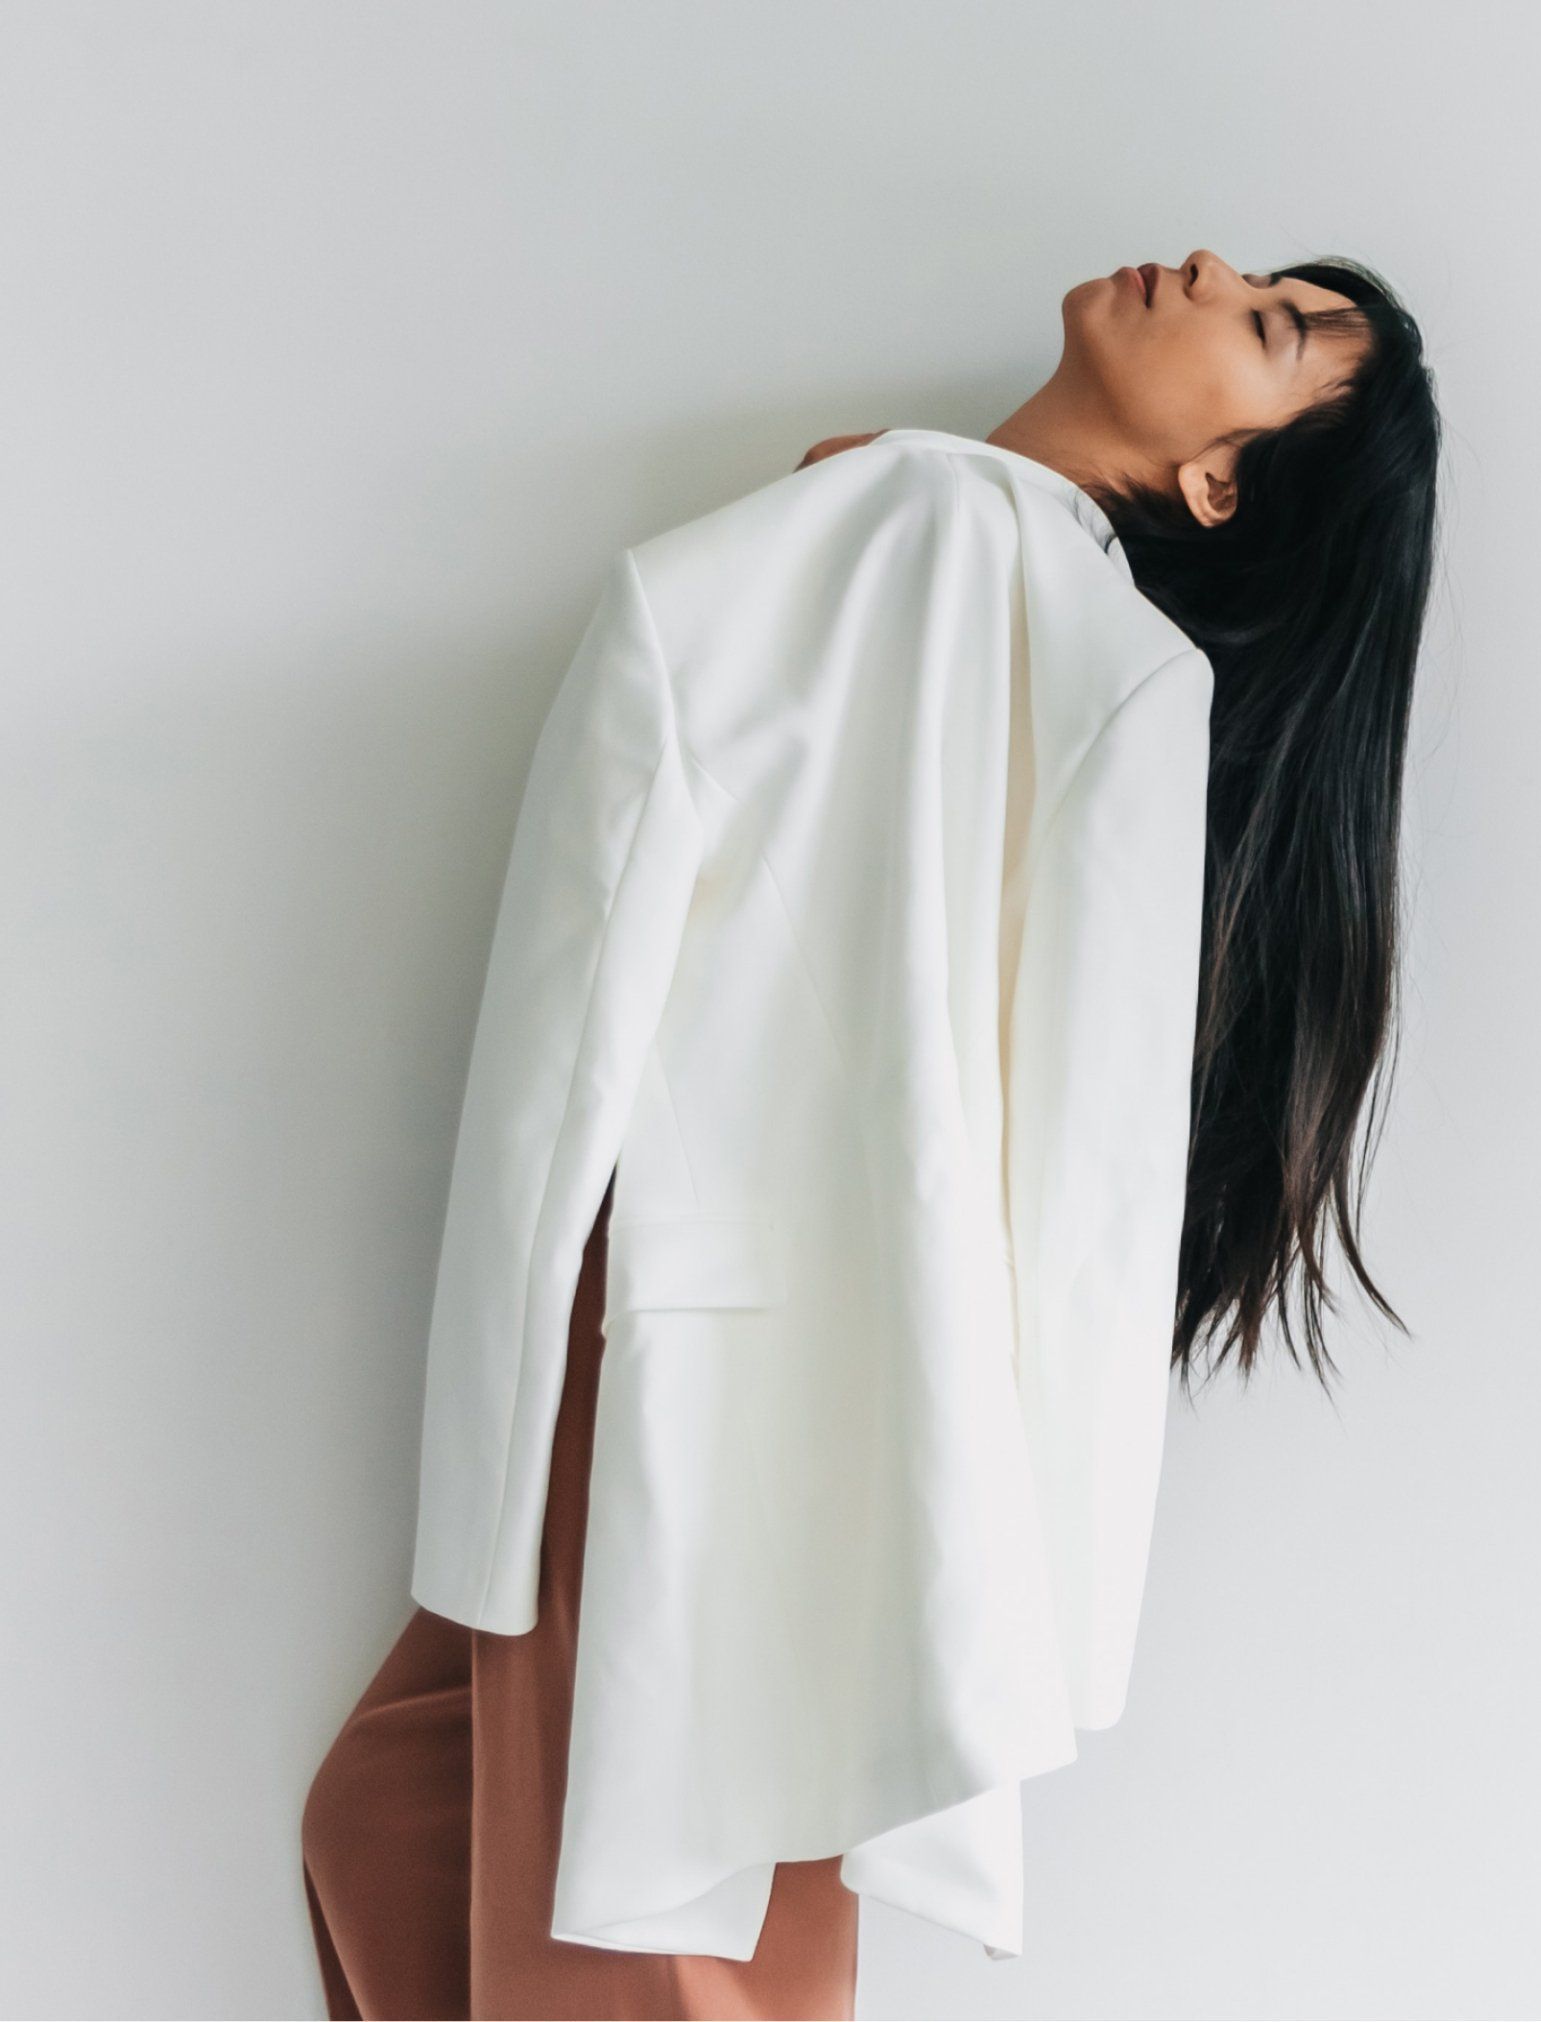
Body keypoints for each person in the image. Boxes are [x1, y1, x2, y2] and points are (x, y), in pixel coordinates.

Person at [300, 248, 1441, 2020]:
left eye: (1272, 327)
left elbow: (620, 837)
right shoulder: (1081, 641)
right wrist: (1028, 1597)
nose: (1212, 271)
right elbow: (1093, 1187)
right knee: (444, 1821)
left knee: (612, 1921)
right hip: (888, 1402)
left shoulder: (910, 522)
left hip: (684, 1301)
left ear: (1223, 479)